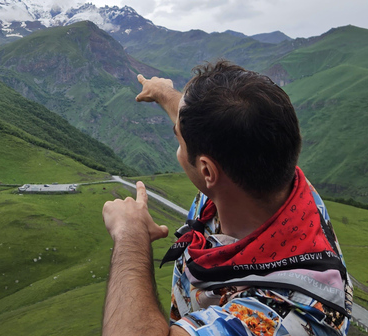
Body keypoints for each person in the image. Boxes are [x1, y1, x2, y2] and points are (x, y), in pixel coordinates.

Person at [102, 61, 352, 336]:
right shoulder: (277, 179)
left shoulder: (274, 319)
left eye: (179, 142)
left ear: (208, 170)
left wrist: (130, 236)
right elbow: (212, 129)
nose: (179, 147)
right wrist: (163, 93)